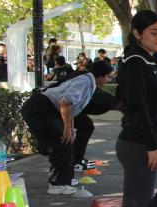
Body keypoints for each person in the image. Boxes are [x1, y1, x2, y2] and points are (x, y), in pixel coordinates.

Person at [20, 60, 115, 195]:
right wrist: (66, 127)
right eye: (108, 77)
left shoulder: (89, 82)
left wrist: (69, 127)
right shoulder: (85, 82)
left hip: (47, 109)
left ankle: (64, 179)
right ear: (100, 76)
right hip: (40, 108)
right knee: (61, 141)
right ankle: (58, 184)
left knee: (66, 140)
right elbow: (65, 102)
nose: (109, 80)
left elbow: (72, 107)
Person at [116, 10, 157, 207]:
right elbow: (137, 108)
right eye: (154, 32)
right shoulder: (135, 62)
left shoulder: (148, 61)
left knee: (141, 202)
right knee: (137, 205)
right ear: (137, 34)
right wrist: (152, 144)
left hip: (144, 141)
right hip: (139, 143)